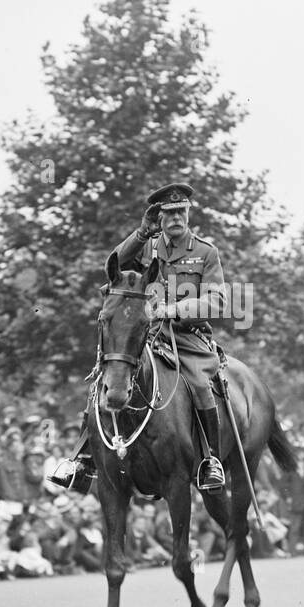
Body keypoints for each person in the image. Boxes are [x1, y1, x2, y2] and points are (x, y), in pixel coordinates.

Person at [52, 182, 231, 494]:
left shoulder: (205, 252)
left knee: (201, 383)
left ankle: (210, 460)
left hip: (187, 336)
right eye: (168, 213)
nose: (176, 218)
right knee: (107, 373)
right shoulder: (147, 246)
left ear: (188, 213)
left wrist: (172, 310)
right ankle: (83, 459)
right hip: (144, 333)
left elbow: (217, 302)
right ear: (160, 217)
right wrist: (141, 233)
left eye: (181, 211)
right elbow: (113, 268)